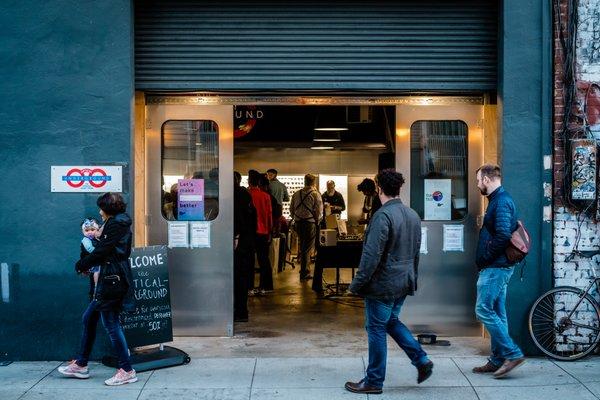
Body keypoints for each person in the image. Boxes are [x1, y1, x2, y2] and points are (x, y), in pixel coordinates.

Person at [345, 169, 433, 395]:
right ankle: (421, 360)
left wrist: (356, 285)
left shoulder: (382, 216)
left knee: (375, 328)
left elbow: (370, 257)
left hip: (383, 285)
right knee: (391, 321)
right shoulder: (412, 215)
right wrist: (412, 279)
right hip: (403, 282)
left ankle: (374, 380)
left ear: (379, 189)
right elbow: (416, 253)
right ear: (398, 188)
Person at [59, 193, 137, 386]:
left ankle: (126, 369)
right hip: (108, 277)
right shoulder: (116, 222)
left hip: (112, 279)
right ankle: (81, 364)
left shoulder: (116, 224)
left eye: (101, 208)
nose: (99, 212)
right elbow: (104, 250)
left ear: (108, 209)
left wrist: (81, 264)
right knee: (90, 318)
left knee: (111, 324)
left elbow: (103, 251)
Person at [472, 164, 525, 378]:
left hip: (495, 267)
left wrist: (485, 258)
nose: (477, 185)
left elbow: (503, 235)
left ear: (486, 179)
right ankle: (496, 360)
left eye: (478, 181)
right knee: (498, 312)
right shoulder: (497, 200)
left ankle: (512, 354)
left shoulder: (501, 201)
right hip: (498, 267)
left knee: (483, 309)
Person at [290, 173, 323, 281]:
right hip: (309, 223)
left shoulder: (296, 194)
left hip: (298, 223)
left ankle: (303, 270)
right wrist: (317, 221)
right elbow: (319, 211)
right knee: (307, 248)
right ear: (314, 182)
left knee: (303, 245)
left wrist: (296, 218)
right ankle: (305, 272)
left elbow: (291, 209)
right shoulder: (315, 194)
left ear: (304, 181)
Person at [234, 171, 256, 322]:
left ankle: (237, 311)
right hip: (244, 242)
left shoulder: (230, 195)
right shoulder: (245, 194)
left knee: (235, 277)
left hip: (237, 242)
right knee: (240, 277)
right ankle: (241, 312)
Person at [248, 169, 274, 294]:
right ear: (259, 182)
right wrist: (270, 231)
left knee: (249, 260)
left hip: (249, 232)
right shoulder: (266, 196)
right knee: (264, 259)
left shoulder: (246, 194)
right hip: (263, 232)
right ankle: (265, 286)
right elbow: (269, 215)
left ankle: (249, 286)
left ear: (249, 181)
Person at [80, 218, 102, 292]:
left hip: (97, 260)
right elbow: (89, 248)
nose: (90, 232)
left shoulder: (97, 238)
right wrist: (100, 252)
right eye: (86, 230)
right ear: (83, 232)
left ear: (97, 230)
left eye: (92, 230)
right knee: (96, 271)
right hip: (92, 261)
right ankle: (96, 286)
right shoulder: (85, 240)